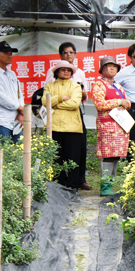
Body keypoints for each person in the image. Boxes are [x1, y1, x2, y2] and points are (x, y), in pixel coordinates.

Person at [45, 42, 91, 190]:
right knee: (57, 155)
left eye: (71, 52)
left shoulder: (77, 81)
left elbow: (74, 103)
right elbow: (45, 101)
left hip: (73, 122)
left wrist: (55, 102)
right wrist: (59, 99)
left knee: (75, 154)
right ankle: (58, 184)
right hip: (55, 123)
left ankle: (75, 183)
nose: (68, 55)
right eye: (65, 52)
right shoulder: (50, 84)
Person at [91, 56, 131, 196]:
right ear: (102, 69)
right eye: (108, 66)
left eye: (114, 66)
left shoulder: (118, 85)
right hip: (107, 126)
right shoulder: (98, 84)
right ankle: (105, 185)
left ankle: (111, 183)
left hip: (120, 125)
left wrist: (125, 103)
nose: (112, 68)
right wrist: (118, 102)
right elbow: (100, 104)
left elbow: (127, 101)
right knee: (107, 155)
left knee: (116, 155)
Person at [0, 41, 23, 144]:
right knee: (1, 155)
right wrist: (20, 108)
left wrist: (20, 113)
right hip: (0, 121)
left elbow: (19, 94)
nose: (9, 56)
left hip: (16, 121)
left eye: (11, 53)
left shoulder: (12, 74)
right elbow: (1, 98)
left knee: (19, 154)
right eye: (6, 53)